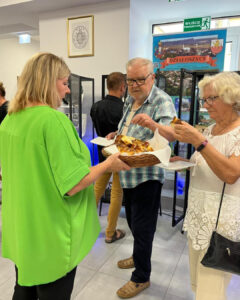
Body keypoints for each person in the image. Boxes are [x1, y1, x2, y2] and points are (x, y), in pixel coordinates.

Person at [0, 52, 130, 300]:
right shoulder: (53, 121)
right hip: (50, 230)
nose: (67, 90)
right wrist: (109, 164)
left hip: (22, 226)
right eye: (64, 83)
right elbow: (73, 183)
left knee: (24, 287)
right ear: (47, 82)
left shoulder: (9, 120)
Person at [135, 71, 240, 300]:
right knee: (199, 284)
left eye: (212, 98)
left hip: (219, 223)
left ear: (231, 98)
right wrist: (185, 163)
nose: (206, 104)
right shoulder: (212, 129)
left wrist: (198, 142)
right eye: (205, 99)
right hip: (198, 217)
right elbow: (208, 163)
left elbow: (230, 174)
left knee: (211, 291)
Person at [107, 58, 176, 298]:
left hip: (147, 175)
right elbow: (128, 128)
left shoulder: (162, 100)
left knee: (144, 227)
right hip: (128, 173)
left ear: (152, 78)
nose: (135, 85)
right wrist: (118, 134)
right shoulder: (130, 100)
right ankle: (138, 257)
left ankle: (141, 277)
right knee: (134, 223)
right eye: (130, 80)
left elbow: (172, 135)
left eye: (140, 79)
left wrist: (153, 123)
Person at [90, 72, 126, 243]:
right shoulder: (125, 109)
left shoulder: (95, 107)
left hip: (101, 153)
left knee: (97, 189)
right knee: (116, 193)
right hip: (119, 156)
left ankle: (85, 227)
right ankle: (110, 233)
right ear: (122, 87)